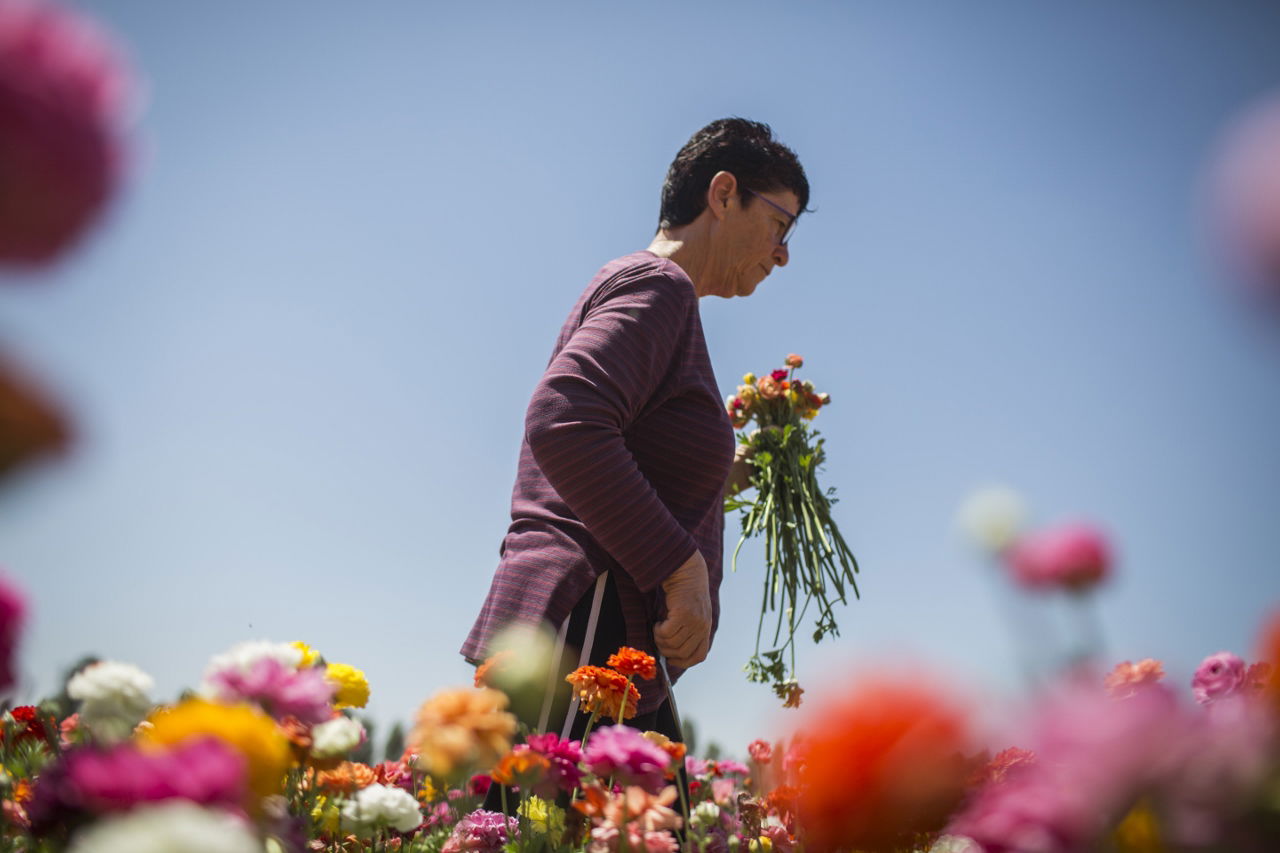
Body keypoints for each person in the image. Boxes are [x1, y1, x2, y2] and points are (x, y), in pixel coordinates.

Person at [461, 118, 809, 750]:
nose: (784, 253)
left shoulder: (648, 290)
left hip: (599, 637)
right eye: (782, 225)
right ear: (723, 194)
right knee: (531, 835)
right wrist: (682, 571)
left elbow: (617, 438)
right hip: (585, 623)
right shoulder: (659, 287)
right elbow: (564, 418)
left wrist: (731, 471)